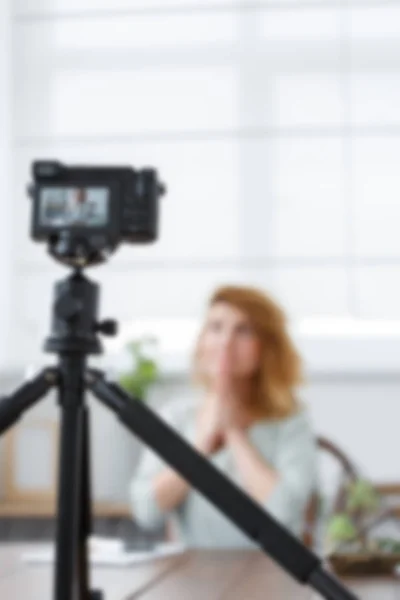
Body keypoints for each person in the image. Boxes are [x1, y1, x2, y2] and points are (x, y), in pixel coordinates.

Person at [129, 285, 318, 548]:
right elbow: (146, 512)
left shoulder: (289, 420)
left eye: (243, 330)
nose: (226, 342)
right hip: (194, 575)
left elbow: (284, 513)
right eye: (215, 327)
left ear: (267, 347)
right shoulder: (177, 416)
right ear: (202, 340)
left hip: (272, 572)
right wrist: (202, 445)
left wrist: (233, 433)